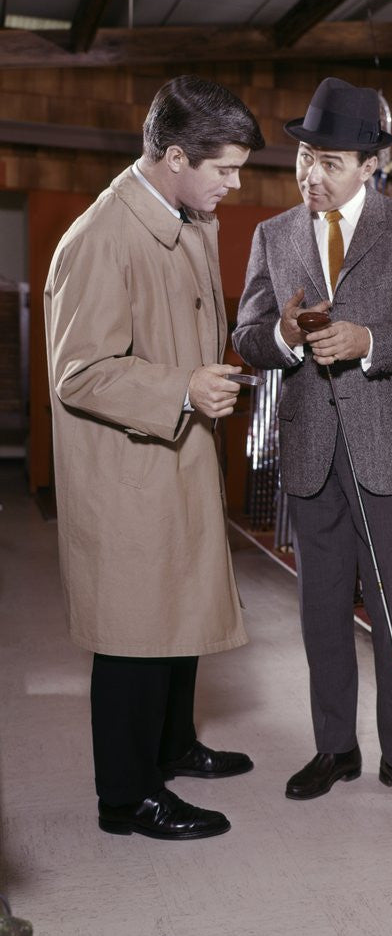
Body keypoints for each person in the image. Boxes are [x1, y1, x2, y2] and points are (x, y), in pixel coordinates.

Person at [43, 75, 265, 840]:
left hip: (175, 455)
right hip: (129, 471)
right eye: (224, 169)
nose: (234, 186)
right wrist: (183, 388)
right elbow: (79, 372)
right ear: (174, 155)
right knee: (136, 635)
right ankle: (126, 799)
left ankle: (172, 747)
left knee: (177, 610)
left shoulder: (183, 215)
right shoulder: (102, 237)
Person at [233, 77, 392, 811]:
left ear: (370, 165)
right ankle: (334, 749)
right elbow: (244, 335)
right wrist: (280, 336)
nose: (312, 175)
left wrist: (368, 341)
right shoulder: (274, 236)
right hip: (308, 452)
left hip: (387, 449)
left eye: (330, 162)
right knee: (320, 612)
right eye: (305, 159)